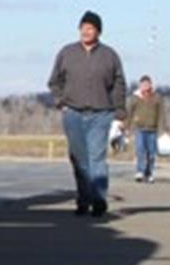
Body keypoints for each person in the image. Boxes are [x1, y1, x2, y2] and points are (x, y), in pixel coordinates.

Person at [48, 11, 128, 217]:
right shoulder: (67, 53)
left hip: (101, 114)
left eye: (90, 28)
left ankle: (99, 199)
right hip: (73, 113)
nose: (86, 31)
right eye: (83, 27)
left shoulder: (109, 55)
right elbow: (54, 82)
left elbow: (119, 84)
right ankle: (84, 199)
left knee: (97, 158)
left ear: (98, 32)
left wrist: (119, 113)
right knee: (79, 160)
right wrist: (61, 102)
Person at [126, 74, 165, 183]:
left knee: (151, 153)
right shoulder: (135, 97)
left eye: (147, 84)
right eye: (143, 84)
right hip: (140, 128)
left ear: (150, 85)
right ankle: (140, 171)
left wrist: (162, 129)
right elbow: (129, 112)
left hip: (152, 129)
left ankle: (149, 172)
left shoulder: (157, 97)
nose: (145, 86)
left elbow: (161, 114)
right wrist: (126, 126)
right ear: (140, 85)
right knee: (140, 150)